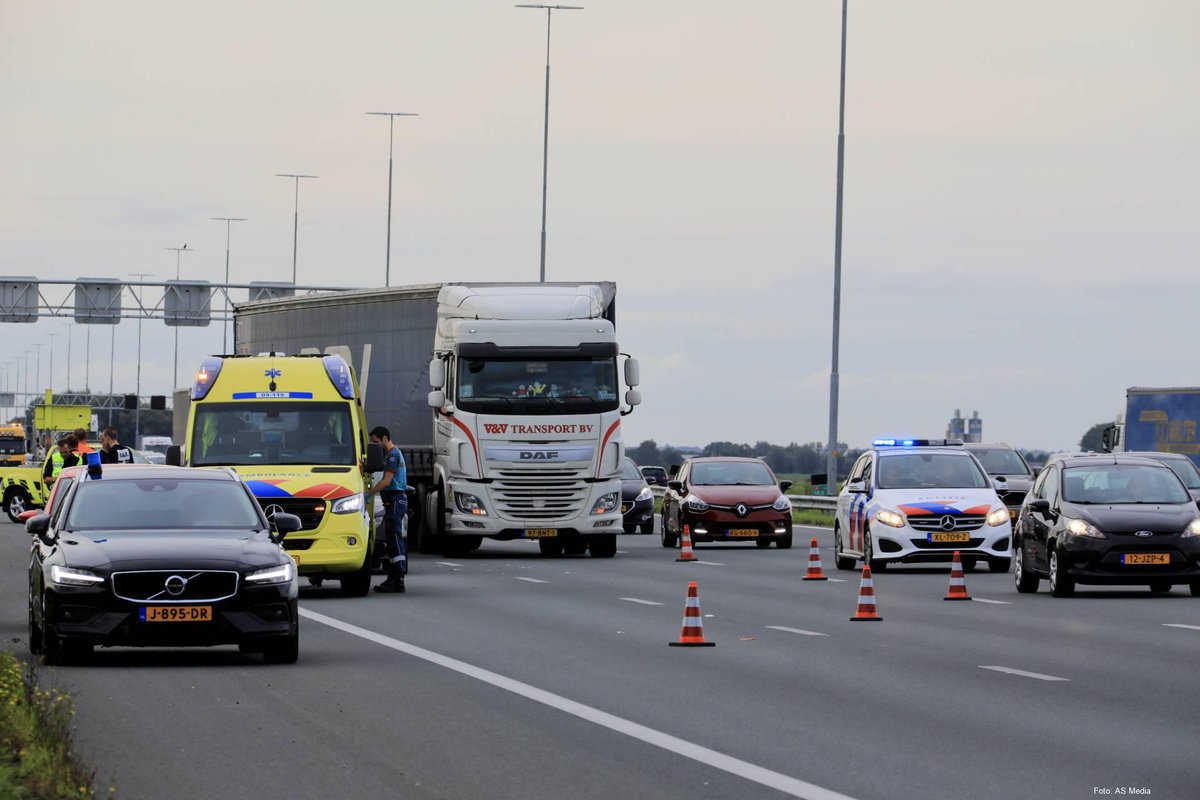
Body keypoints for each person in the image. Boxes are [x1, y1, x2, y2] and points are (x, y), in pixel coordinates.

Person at [366, 425, 407, 594]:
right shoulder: (392, 454)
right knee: (391, 539)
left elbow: (386, 481)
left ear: (384, 438)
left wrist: (368, 493)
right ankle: (393, 577)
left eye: (376, 442)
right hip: (393, 500)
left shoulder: (392, 455)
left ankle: (397, 578)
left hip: (395, 499)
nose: (376, 446)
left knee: (394, 538)